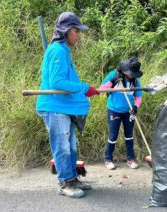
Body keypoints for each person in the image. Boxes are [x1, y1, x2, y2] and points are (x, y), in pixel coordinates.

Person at [36, 12, 100, 198]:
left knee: (71, 146)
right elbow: (57, 82)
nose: (79, 35)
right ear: (65, 31)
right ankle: (64, 183)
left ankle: (72, 178)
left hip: (63, 107)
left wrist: (85, 89)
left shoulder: (63, 50)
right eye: (76, 31)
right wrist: (85, 88)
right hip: (54, 107)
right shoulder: (57, 50)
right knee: (62, 147)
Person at [100, 57, 143, 170]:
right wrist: (112, 81)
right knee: (113, 135)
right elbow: (101, 90)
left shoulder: (135, 81)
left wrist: (135, 107)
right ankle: (108, 159)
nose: (131, 76)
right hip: (114, 110)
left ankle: (130, 159)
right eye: (130, 73)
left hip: (128, 111)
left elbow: (138, 97)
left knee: (129, 135)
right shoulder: (113, 75)